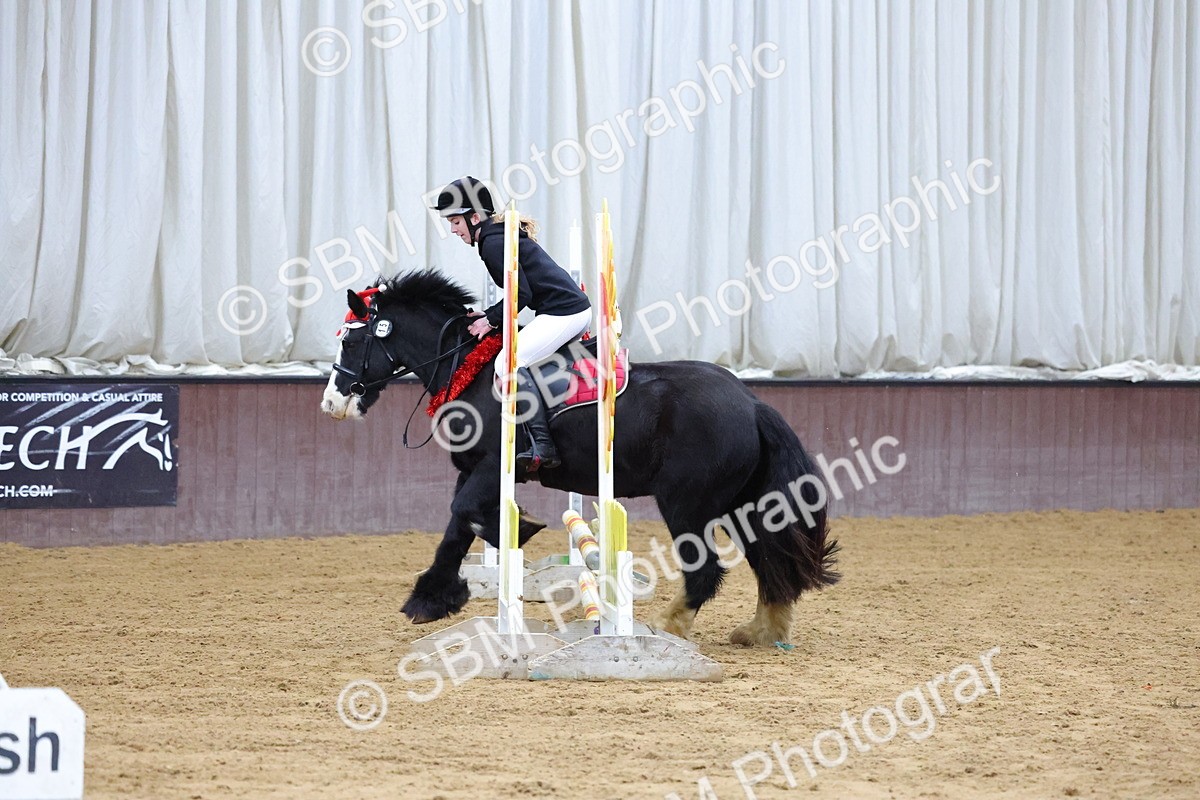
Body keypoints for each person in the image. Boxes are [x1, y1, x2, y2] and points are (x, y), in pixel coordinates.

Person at [432, 176, 591, 471]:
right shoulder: (495, 237)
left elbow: (523, 294)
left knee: (506, 364)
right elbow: (521, 290)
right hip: (564, 310)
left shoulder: (492, 244)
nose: (453, 230)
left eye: (455, 222)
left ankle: (543, 446)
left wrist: (490, 321)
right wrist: (489, 315)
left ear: (475, 217)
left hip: (565, 313)